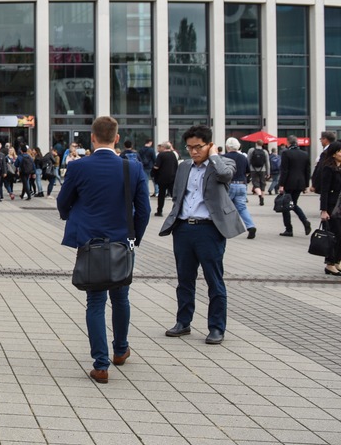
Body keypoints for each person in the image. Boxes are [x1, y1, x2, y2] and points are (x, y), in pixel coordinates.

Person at [56, 115, 150, 383]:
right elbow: (143, 210)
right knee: (121, 298)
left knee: (95, 302)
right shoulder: (132, 168)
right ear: (117, 138)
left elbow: (63, 202)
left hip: (90, 244)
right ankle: (120, 350)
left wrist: (71, 216)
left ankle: (101, 364)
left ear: (92, 138)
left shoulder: (79, 167)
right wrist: (134, 239)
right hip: (122, 244)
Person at [159, 126, 246, 345]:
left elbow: (225, 175)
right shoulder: (184, 166)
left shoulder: (224, 163)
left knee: (214, 280)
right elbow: (178, 194)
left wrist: (214, 155)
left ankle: (216, 327)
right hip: (184, 229)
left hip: (209, 229)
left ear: (209, 145)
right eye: (190, 147)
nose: (194, 152)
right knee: (184, 279)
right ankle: (183, 322)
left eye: (198, 147)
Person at [277, 137, 314, 236]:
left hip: (289, 183)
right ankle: (305, 221)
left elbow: (284, 170)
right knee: (293, 204)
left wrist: (281, 185)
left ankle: (289, 229)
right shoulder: (304, 154)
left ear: (288, 143)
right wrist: (306, 185)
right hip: (300, 183)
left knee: (286, 205)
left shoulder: (286, 153)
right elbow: (307, 171)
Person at [222, 138, 257, 239]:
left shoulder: (223, 157)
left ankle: (225, 228)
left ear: (227, 146)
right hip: (242, 184)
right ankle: (250, 226)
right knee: (242, 207)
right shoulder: (243, 157)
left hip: (229, 184)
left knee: (224, 206)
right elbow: (247, 171)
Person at [316, 142, 341, 276]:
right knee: (335, 235)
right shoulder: (328, 168)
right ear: (333, 153)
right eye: (340, 151)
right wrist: (324, 210)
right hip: (332, 206)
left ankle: (337, 261)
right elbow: (324, 190)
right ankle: (330, 264)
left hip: (340, 205)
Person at [152, 141, 179, 217]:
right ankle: (178, 210)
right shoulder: (173, 155)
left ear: (163, 147)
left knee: (161, 195)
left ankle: (159, 211)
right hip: (172, 177)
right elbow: (176, 165)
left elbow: (156, 166)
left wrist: (153, 173)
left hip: (162, 178)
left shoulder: (161, 155)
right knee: (174, 195)